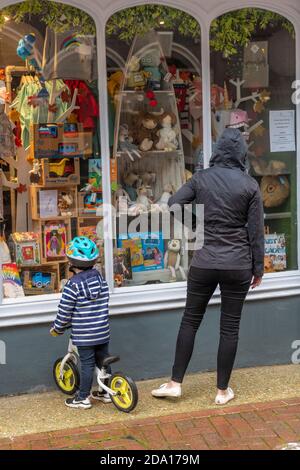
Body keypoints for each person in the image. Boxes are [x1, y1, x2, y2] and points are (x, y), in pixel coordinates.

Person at [152, 128, 265, 405]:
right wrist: (258, 269)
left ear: (217, 150)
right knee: (229, 327)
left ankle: (175, 383)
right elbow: (256, 232)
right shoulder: (249, 185)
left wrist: (195, 228)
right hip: (238, 264)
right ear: (241, 154)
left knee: (190, 320)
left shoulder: (202, 178)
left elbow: (175, 202)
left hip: (204, 260)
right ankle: (222, 391)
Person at [50, 236, 110, 409]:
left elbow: (64, 311)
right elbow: (104, 301)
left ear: (71, 263)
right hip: (102, 331)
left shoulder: (72, 286)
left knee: (87, 364)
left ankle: (82, 397)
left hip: (84, 335)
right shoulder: (100, 279)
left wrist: (58, 328)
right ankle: (106, 392)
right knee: (103, 361)